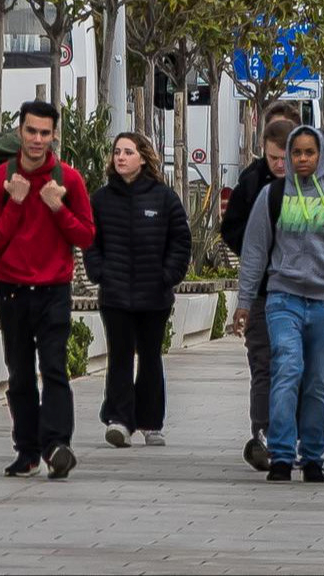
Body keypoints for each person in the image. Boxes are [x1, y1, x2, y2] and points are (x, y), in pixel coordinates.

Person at [234, 126, 324, 483]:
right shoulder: (272, 195)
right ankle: (282, 454)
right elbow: (255, 251)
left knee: (317, 381)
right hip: (282, 300)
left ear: (321, 155)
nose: (303, 159)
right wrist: (244, 301)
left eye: (309, 152)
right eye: (296, 153)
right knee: (286, 369)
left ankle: (313, 455)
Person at [0, 101, 97, 479]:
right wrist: (15, 202)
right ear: (20, 131)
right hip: (11, 289)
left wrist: (57, 208)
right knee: (18, 373)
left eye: (45, 133)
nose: (37, 139)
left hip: (54, 290)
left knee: (54, 368)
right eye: (31, 131)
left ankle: (57, 445)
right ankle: (27, 450)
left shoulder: (70, 180)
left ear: (54, 136)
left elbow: (86, 235)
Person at [84, 132, 191, 449]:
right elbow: (91, 241)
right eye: (117, 151)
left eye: (128, 152)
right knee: (118, 357)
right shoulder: (101, 200)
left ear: (143, 158)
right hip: (115, 295)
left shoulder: (164, 198)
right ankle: (118, 420)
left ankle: (150, 422)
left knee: (150, 358)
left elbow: (181, 242)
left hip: (153, 296)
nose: (120, 157)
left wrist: (168, 275)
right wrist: (99, 272)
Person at [222, 118, 296, 471]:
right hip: (265, 290)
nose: (280, 165)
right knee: (263, 364)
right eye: (273, 158)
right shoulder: (252, 184)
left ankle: (295, 436)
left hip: (304, 292)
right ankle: (264, 433)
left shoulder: (316, 186)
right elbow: (232, 230)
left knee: (297, 368)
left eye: (286, 158)